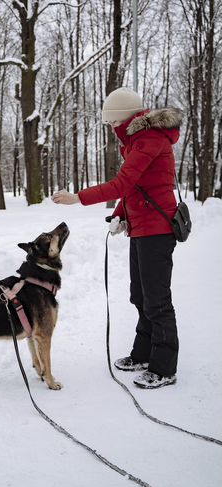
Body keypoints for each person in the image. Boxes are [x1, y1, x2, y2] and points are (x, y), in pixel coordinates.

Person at [52, 87, 183, 389]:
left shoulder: (149, 140)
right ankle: (143, 353)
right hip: (142, 229)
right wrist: (120, 215)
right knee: (140, 296)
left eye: (112, 123)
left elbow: (122, 183)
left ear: (125, 118)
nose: (111, 130)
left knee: (157, 302)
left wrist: (78, 198)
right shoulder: (137, 142)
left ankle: (164, 368)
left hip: (157, 231)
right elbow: (134, 189)